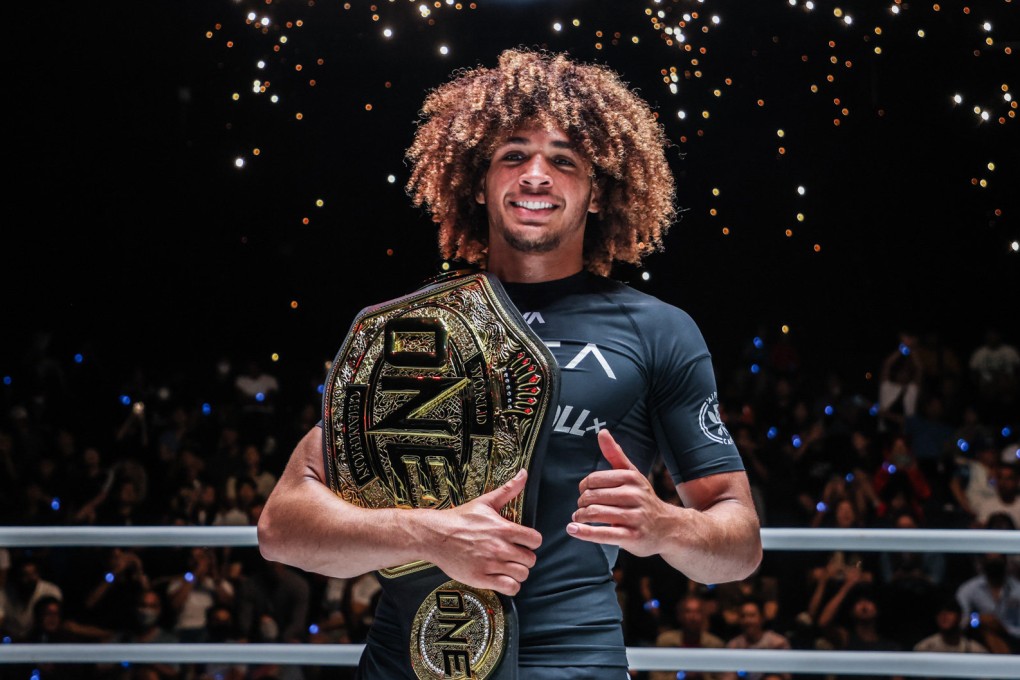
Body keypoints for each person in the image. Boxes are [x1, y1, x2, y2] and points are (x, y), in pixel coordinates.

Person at [259, 48, 761, 678]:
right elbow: (283, 526)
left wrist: (664, 527)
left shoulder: (659, 332)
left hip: (574, 660)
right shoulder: (417, 330)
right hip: (411, 660)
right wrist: (426, 533)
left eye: (564, 161)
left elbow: (739, 543)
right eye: (513, 154)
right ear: (478, 180)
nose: (535, 175)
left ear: (597, 193)